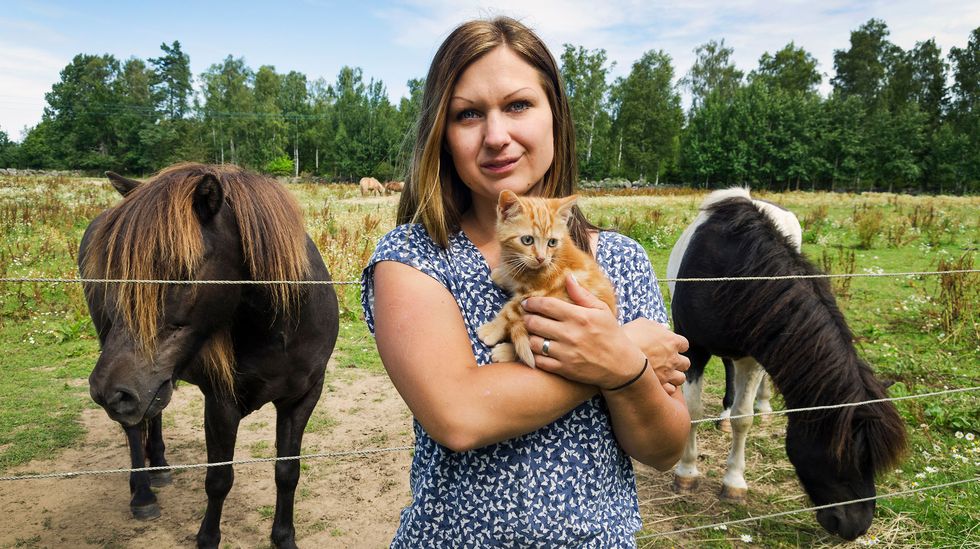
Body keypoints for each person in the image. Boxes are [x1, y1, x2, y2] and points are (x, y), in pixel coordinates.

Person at [361, 16, 691, 547]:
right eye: (468, 114)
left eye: (518, 105)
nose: (497, 136)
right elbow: (460, 415)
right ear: (442, 136)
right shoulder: (412, 259)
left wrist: (621, 371)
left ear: (554, 116)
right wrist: (621, 356)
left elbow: (663, 447)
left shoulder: (621, 260)